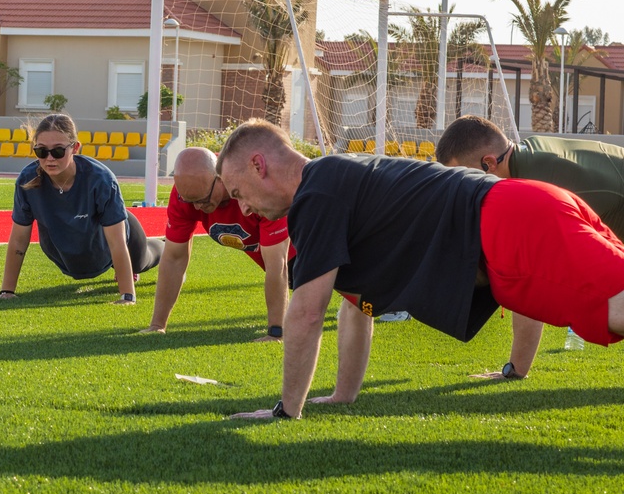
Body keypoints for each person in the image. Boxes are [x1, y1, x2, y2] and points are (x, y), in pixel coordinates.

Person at [216, 118, 624, 420]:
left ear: (258, 164)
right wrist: (343, 395)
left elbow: (306, 312)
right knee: (609, 314)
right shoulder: (333, 182)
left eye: (239, 194)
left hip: (510, 223)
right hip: (518, 216)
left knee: (616, 309)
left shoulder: (317, 193)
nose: (245, 208)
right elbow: (354, 307)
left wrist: (285, 411)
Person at [438, 114, 624, 379]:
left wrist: (514, 371)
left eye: (464, 179)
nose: (462, 193)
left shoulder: (541, 185)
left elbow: (531, 283)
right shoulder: (528, 158)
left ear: (488, 163)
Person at [0, 113, 163, 304]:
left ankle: (165, 245)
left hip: (117, 232)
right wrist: (7, 291)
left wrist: (127, 295)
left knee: (142, 261)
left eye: (58, 151)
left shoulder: (100, 179)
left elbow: (117, 242)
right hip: (75, 250)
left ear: (75, 147)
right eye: (41, 151)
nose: (49, 158)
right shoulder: (27, 181)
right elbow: (18, 241)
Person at [139, 147, 292, 341]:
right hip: (266, 252)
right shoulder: (188, 191)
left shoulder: (259, 188)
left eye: (202, 200)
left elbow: (278, 265)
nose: (196, 207)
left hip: (306, 244)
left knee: (324, 293)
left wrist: (275, 332)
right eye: (190, 201)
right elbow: (174, 258)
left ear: (221, 178)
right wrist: (157, 325)